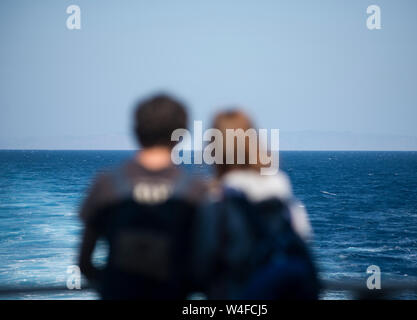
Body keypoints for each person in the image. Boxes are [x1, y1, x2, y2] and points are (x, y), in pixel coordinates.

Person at [78, 94, 205, 299]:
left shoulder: (106, 185)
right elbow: (205, 264)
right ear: (181, 135)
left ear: (136, 131)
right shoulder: (196, 191)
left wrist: (111, 286)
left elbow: (84, 263)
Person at [193, 110, 319, 299]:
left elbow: (201, 265)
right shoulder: (281, 189)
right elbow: (304, 238)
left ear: (213, 149)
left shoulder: (217, 200)